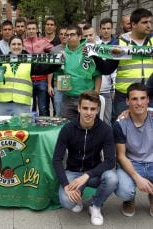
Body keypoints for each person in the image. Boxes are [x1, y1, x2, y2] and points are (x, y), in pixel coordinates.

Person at [53, 90, 117, 226]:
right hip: (74, 173)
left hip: (94, 172)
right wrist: (65, 184)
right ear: (79, 108)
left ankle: (95, 205)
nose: (88, 112)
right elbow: (57, 159)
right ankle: (78, 197)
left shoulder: (105, 130)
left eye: (93, 109)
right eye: (85, 108)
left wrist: (88, 174)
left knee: (112, 178)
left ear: (98, 110)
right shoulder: (67, 129)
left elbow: (111, 160)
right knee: (66, 201)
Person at [94, 8, 152, 121]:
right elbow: (107, 69)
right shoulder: (120, 43)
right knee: (123, 131)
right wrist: (94, 55)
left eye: (150, 22)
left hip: (150, 95)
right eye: (145, 22)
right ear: (133, 24)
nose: (149, 25)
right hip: (124, 96)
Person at [113, 83, 153, 217]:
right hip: (132, 163)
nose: (139, 103)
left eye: (142, 98)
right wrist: (137, 177)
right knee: (124, 189)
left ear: (148, 100)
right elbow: (121, 156)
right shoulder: (120, 123)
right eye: (134, 99)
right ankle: (129, 199)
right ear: (127, 101)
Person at [0, 35, 57, 116]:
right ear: (9, 46)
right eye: (13, 44)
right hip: (2, 103)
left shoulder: (29, 61)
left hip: (22, 104)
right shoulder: (1, 60)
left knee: (22, 128)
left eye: (19, 44)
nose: (16, 46)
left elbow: (45, 68)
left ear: (23, 46)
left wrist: (59, 62)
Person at [60, 25, 101, 120]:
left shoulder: (88, 52)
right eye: (67, 35)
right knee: (68, 128)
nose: (69, 37)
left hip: (86, 98)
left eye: (72, 34)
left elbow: (98, 75)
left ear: (79, 37)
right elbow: (58, 75)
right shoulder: (62, 54)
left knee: (88, 127)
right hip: (68, 98)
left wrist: (96, 94)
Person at [24, 20, 53, 116]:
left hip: (42, 80)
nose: (31, 31)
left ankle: (44, 129)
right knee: (30, 108)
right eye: (29, 29)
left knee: (43, 108)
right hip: (28, 80)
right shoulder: (23, 44)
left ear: (37, 30)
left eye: (33, 28)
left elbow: (54, 52)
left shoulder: (43, 42)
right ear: (26, 30)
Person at [98, 18, 117, 125]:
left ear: (112, 29)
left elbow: (115, 69)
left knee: (107, 120)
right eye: (104, 28)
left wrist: (114, 88)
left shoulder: (116, 44)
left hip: (107, 90)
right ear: (100, 29)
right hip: (94, 88)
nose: (106, 31)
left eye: (108, 28)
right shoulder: (95, 43)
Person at [48, 25, 68, 117]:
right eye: (61, 34)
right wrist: (49, 85)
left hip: (72, 84)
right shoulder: (54, 50)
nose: (64, 36)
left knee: (69, 112)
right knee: (58, 111)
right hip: (58, 84)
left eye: (66, 34)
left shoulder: (74, 48)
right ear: (58, 36)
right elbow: (50, 69)